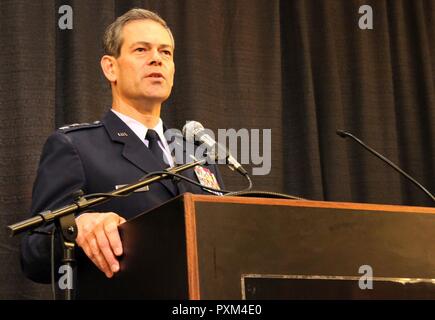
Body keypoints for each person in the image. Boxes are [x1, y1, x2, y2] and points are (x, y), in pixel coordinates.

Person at [21, 8, 224, 284]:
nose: (156, 59)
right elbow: (33, 255)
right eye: (142, 50)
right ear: (110, 67)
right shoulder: (75, 146)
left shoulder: (197, 152)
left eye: (166, 53)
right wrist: (75, 228)